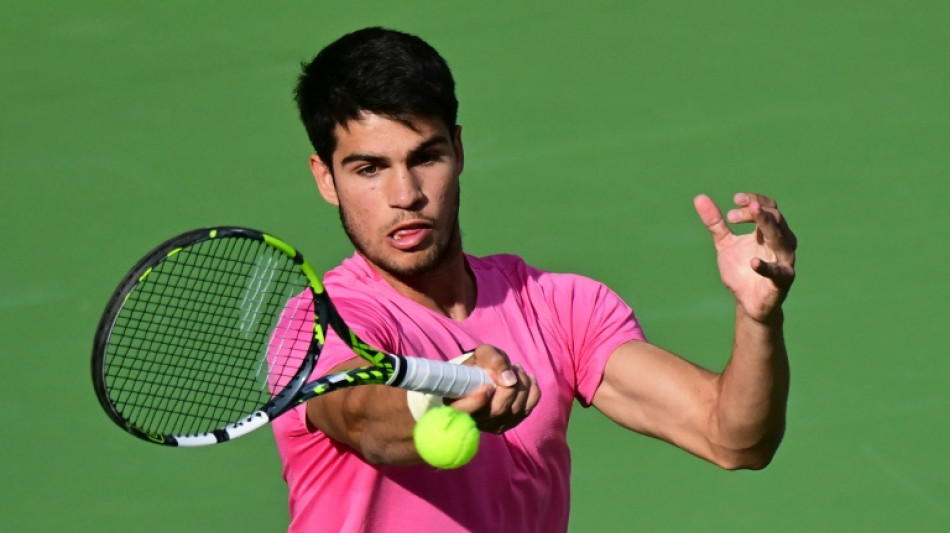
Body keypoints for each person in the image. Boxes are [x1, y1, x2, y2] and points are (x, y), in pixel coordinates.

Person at [271, 26, 796, 533]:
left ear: (457, 151)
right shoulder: (321, 323)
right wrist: (452, 386)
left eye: (425, 158)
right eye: (369, 169)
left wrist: (758, 319)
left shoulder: (558, 307)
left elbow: (733, 439)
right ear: (326, 178)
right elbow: (361, 417)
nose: (405, 194)